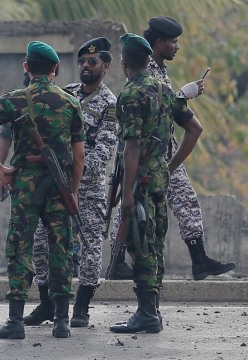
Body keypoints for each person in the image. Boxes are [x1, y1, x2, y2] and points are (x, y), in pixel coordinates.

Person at [0, 37, 116, 328]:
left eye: (93, 62)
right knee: (41, 245)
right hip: (50, 185)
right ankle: (47, 305)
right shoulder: (68, 94)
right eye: (82, 62)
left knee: (88, 248)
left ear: (106, 67)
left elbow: (103, 151)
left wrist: (70, 172)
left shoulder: (110, 104)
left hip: (86, 190)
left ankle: (82, 307)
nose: (86, 67)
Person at [108, 16, 235, 281]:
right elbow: (157, 102)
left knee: (186, 201)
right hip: (147, 151)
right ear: (158, 43)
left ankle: (199, 260)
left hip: (164, 147)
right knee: (131, 203)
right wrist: (183, 95)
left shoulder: (160, 68)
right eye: (173, 42)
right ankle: (118, 260)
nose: (177, 47)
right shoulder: (145, 65)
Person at [0, 41, 85, 339]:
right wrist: (72, 191)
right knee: (60, 248)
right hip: (59, 185)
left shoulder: (13, 99)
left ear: (26, 67)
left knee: (19, 248)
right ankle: (62, 321)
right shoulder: (71, 102)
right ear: (55, 69)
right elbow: (79, 157)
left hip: (25, 185)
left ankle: (15, 322)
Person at [110, 33, 202, 333]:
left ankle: (147, 314)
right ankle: (152, 311)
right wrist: (169, 166)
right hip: (159, 178)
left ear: (124, 64)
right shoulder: (164, 90)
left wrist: (127, 194)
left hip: (140, 181)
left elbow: (132, 146)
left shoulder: (130, 94)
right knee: (155, 243)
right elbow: (194, 129)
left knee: (141, 244)